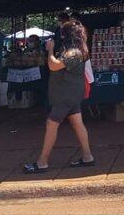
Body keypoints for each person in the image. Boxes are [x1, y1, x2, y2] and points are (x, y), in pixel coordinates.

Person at [22, 20, 95, 174]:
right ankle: (88, 157)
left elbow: (53, 65)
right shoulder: (75, 50)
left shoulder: (74, 52)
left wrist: (50, 50)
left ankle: (42, 162)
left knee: (51, 123)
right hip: (71, 94)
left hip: (66, 95)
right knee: (77, 123)